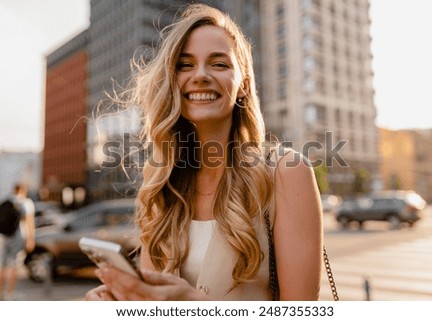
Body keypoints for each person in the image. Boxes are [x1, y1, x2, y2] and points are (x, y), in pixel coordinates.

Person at [86, 3, 322, 301]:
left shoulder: (287, 172)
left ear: (243, 86)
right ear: (173, 81)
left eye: (219, 64)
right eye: (185, 65)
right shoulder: (160, 182)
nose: (200, 75)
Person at [0, 183, 35, 300]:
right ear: (23, 190)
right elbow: (29, 222)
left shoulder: (7, 201)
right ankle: (10, 294)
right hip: (18, 236)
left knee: (2, 265)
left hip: (4, 236)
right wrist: (31, 239)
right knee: (14, 265)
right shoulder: (26, 203)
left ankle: (0, 294)